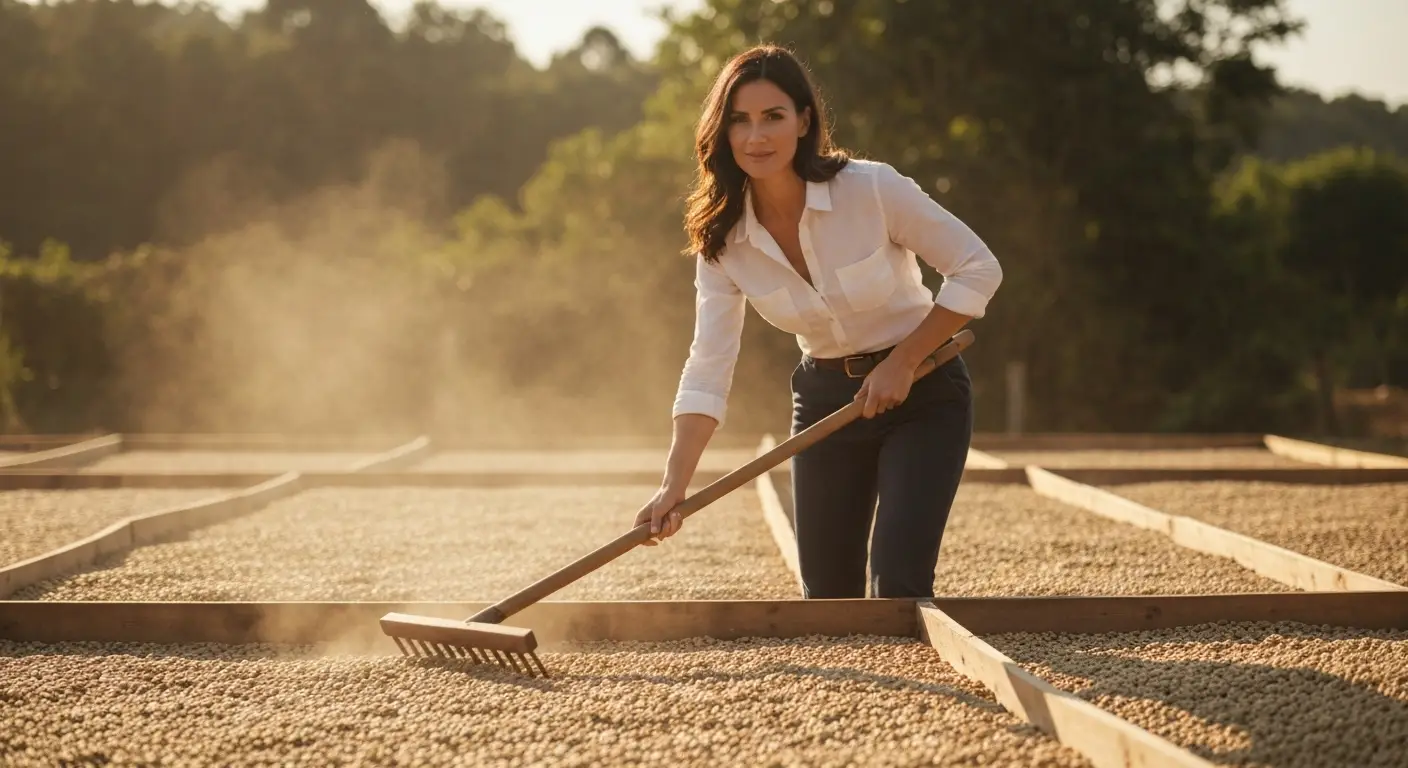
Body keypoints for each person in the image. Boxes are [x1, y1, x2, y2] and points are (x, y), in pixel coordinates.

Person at [633, 44, 1003, 600]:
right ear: (723, 132)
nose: (757, 137)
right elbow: (708, 365)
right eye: (740, 121)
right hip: (826, 400)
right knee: (827, 596)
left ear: (804, 121)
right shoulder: (722, 241)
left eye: (773, 117)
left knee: (898, 584)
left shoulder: (871, 189)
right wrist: (673, 486)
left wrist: (903, 362)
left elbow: (978, 269)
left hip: (925, 390)